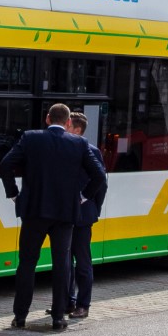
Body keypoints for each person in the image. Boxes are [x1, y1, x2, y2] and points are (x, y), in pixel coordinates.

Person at [1, 102, 107, 333]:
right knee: (62, 265)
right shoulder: (78, 143)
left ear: (47, 119)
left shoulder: (30, 138)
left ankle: (20, 316)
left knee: (27, 264)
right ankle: (58, 318)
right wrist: (82, 197)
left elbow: (6, 164)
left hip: (34, 212)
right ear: (68, 122)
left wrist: (13, 194)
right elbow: (99, 175)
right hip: (64, 215)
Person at [66, 112, 106, 320]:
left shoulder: (91, 151)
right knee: (65, 261)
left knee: (82, 261)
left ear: (77, 130)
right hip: (64, 215)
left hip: (83, 215)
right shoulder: (62, 149)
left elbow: (101, 183)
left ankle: (83, 305)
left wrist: (91, 205)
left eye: (68, 126)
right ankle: (68, 301)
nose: (64, 128)